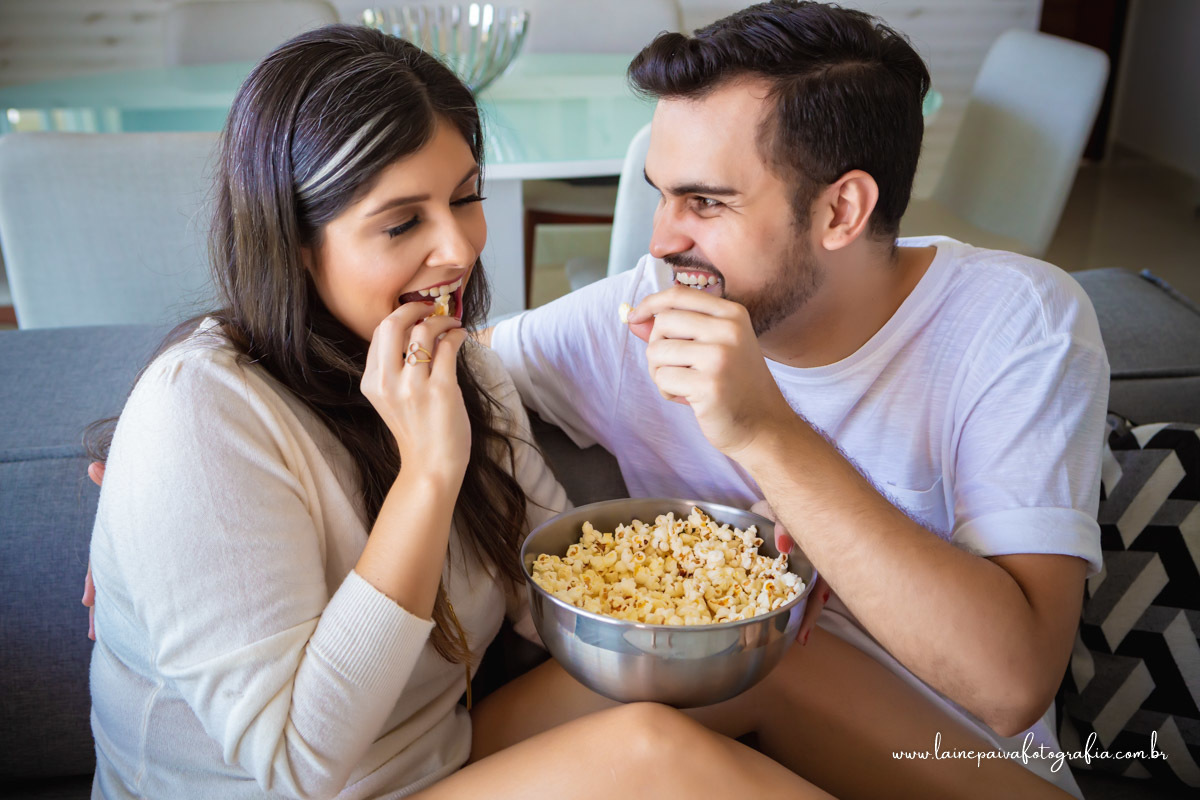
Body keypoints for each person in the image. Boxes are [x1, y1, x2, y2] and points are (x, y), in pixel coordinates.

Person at [83, 23, 833, 799]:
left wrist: (744, 556)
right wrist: (429, 475)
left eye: (466, 198)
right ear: (295, 242)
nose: (459, 248)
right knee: (652, 752)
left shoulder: (458, 364)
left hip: (441, 752)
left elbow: (557, 588)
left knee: (757, 660)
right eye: (402, 222)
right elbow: (299, 764)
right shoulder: (200, 417)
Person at [474, 2, 1107, 797]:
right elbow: (447, 368)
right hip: (714, 732)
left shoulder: (1015, 323)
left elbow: (1012, 686)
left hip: (969, 765)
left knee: (749, 662)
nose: (662, 240)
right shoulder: (642, 312)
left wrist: (766, 434)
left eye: (707, 203)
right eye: (660, 194)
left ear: (842, 210)